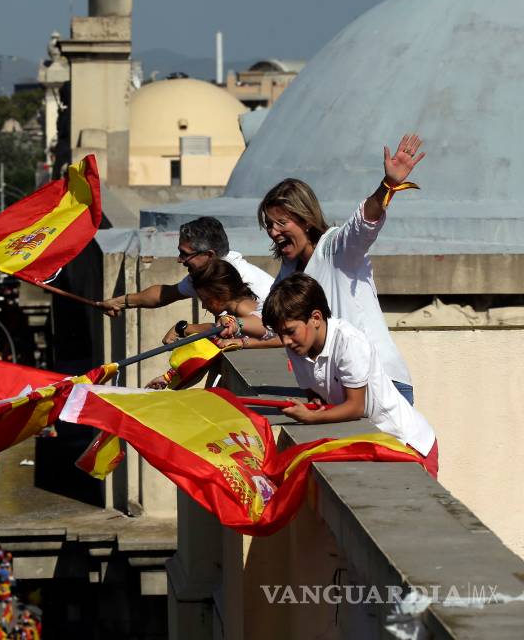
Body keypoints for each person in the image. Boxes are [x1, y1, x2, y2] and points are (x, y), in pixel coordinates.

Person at [257, 134, 425, 404]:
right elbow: (268, 319)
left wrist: (387, 186)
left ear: (306, 219)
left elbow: (364, 222)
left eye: (282, 223)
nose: (273, 232)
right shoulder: (289, 272)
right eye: (269, 224)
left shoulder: (336, 249)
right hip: (341, 392)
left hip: (380, 383)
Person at [262, 274, 438, 477]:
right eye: (279, 334)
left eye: (290, 331)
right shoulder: (298, 349)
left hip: (407, 441)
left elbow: (356, 406)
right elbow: (315, 395)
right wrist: (315, 404)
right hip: (374, 441)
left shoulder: (348, 341)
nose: (285, 341)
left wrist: (311, 417)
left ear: (316, 318)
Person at [100, 216, 274, 316]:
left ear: (209, 255)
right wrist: (119, 302)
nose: (179, 260)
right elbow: (166, 294)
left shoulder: (233, 280)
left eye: (185, 254)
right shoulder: (211, 273)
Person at [157, 258, 271, 347]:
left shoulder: (245, 310)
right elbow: (215, 329)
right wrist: (183, 329)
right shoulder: (241, 308)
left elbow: (267, 327)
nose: (204, 306)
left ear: (223, 293)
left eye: (206, 300)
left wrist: (236, 326)